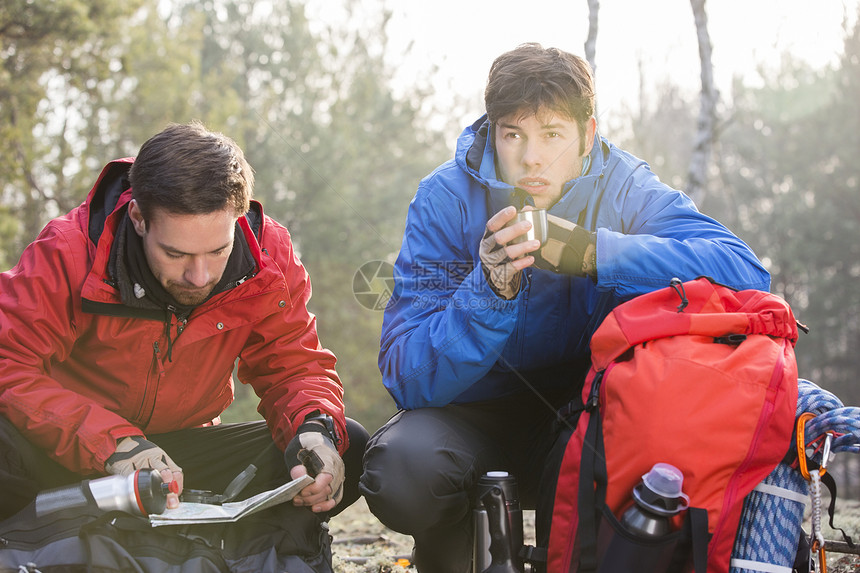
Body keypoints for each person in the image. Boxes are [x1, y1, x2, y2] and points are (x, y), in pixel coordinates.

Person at [360, 43, 770, 572]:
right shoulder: (445, 198)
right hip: (467, 412)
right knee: (403, 471)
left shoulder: (625, 186)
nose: (533, 158)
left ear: (587, 135)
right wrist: (489, 292)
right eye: (514, 135)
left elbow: (744, 271)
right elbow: (407, 375)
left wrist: (594, 252)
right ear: (492, 133)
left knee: (624, 452)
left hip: (586, 411)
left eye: (552, 135)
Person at [0, 122, 368, 547]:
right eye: (175, 254)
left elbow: (294, 364)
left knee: (345, 447)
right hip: (62, 449)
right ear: (139, 218)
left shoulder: (270, 255)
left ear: (237, 214)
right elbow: (9, 362)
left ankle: (193, 540)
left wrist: (312, 426)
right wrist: (113, 445)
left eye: (218, 251)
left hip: (176, 462)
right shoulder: (68, 249)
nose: (200, 276)